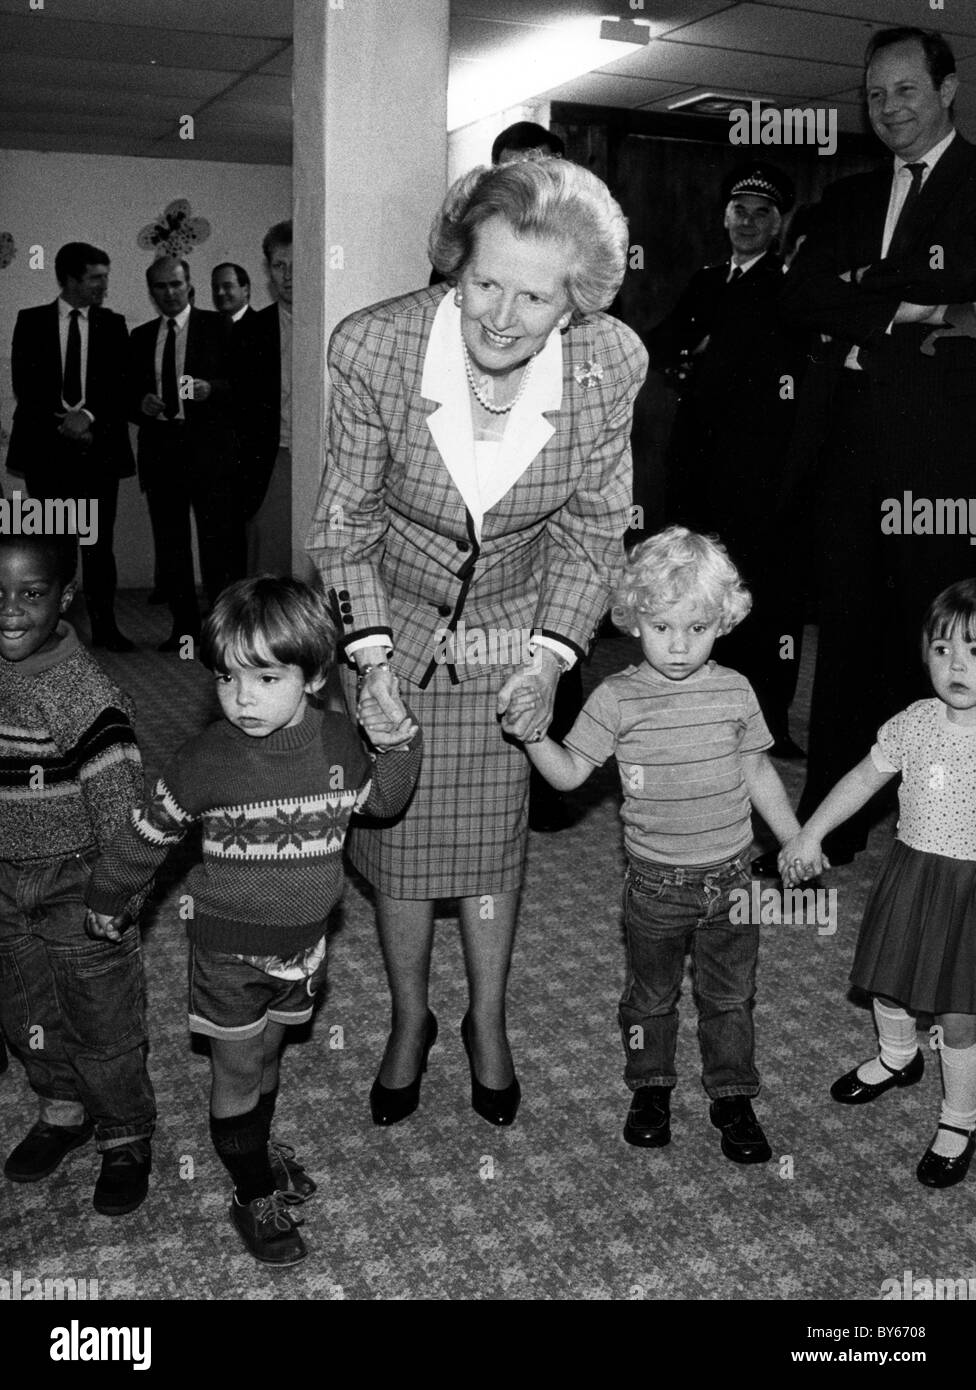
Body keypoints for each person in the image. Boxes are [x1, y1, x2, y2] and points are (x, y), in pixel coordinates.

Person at [307, 157, 647, 1129]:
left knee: (492, 848)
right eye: (483, 282)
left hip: (511, 629)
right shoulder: (374, 348)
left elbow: (591, 529)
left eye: (534, 297)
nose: (500, 315)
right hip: (396, 624)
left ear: (574, 303)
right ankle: (411, 1020)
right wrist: (369, 662)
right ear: (455, 262)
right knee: (403, 846)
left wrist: (546, 662)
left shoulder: (609, 363)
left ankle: (486, 1022)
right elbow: (343, 528)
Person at [85, 577, 422, 1265]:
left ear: (316, 676)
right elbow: (145, 836)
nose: (242, 698)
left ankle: (257, 1156)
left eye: (267, 677)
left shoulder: (335, 742)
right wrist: (107, 897)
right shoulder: (206, 760)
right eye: (228, 677)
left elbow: (382, 804)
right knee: (237, 1071)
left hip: (305, 952)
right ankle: (251, 1193)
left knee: (270, 1056)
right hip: (228, 956)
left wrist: (400, 744)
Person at [523, 527, 801, 1162]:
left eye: (697, 628)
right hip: (655, 885)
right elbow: (568, 774)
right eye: (662, 627)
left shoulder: (736, 691)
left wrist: (792, 838)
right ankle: (650, 1087)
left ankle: (733, 1096)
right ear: (633, 618)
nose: (679, 646)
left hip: (733, 881)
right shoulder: (617, 697)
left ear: (723, 622)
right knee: (650, 998)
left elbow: (758, 771)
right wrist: (534, 733)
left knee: (730, 997)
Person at [781, 25, 976, 864]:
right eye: (874, 94)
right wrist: (914, 309)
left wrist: (879, 295)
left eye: (905, 90)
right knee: (847, 636)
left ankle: (936, 822)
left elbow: (964, 294)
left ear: (948, 88)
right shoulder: (850, 200)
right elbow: (801, 297)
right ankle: (829, 823)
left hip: (939, 456)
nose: (889, 108)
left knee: (927, 637)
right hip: (845, 447)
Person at [780, 579, 976, 1190]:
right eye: (942, 649)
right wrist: (810, 834)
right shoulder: (914, 723)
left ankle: (960, 1119)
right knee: (886, 980)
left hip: (971, 891)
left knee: (959, 1011)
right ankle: (898, 1057)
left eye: (975, 648)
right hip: (913, 872)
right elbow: (863, 780)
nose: (957, 664)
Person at [0, 533, 155, 1215]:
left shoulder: (84, 692)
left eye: (31, 594)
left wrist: (117, 893)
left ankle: (125, 1135)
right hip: (6, 880)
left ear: (64, 598)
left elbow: (124, 808)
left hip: (78, 882)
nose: (10, 610)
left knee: (102, 1021)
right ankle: (63, 1110)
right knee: (27, 1010)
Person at [648, 163, 807, 763]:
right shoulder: (708, 279)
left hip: (757, 470)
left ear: (780, 222)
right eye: (738, 210)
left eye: (762, 213)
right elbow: (664, 343)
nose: (747, 221)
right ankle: (696, 709)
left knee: (757, 595)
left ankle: (767, 723)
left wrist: (710, 359)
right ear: (724, 217)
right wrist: (687, 362)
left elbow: (764, 370)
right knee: (693, 585)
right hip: (698, 461)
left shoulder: (788, 285)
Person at [7, 242, 136, 651]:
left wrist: (89, 418)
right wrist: (63, 423)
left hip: (97, 453)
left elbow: (120, 385)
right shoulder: (30, 321)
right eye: (96, 278)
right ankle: (49, 633)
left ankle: (106, 629)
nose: (103, 285)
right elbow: (25, 385)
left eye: (105, 277)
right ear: (69, 279)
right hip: (48, 454)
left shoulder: (113, 324)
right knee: (53, 547)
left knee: (99, 547)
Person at [129, 256, 243, 651]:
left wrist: (212, 389)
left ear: (189, 284)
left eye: (176, 284)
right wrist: (139, 404)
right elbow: (126, 396)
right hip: (162, 451)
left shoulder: (219, 326)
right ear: (152, 292)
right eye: (161, 287)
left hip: (209, 451)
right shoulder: (141, 336)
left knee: (216, 547)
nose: (170, 293)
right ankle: (184, 630)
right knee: (172, 547)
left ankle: (222, 632)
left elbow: (244, 387)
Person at [246, 222, 293, 577]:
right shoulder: (251, 330)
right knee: (270, 566)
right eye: (280, 266)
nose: (289, 275)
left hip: (330, 455)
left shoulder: (335, 322)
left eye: (296, 263)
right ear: (268, 269)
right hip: (272, 458)